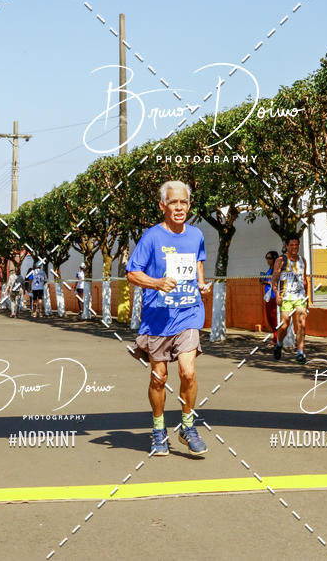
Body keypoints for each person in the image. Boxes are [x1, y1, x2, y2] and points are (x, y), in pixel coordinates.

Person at [126, 180, 212, 457]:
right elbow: (132, 273)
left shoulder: (196, 235)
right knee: (159, 378)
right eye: (173, 202)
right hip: (158, 319)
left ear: (189, 205)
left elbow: (198, 262)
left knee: (188, 371)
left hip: (188, 313)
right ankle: (159, 429)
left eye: (183, 202)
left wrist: (201, 284)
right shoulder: (151, 237)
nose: (179, 207)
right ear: (163, 205)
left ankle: (187, 426)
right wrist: (156, 283)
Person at [271, 234, 309, 364]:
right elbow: (274, 280)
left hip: (300, 297)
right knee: (284, 325)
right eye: (291, 245)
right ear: (286, 246)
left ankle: (300, 353)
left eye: (296, 245)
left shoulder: (303, 261)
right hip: (286, 298)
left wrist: (307, 298)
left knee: (301, 324)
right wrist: (277, 295)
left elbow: (305, 280)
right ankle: (279, 344)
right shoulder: (281, 260)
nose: (294, 247)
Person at [259, 251, 279, 343]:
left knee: (274, 318)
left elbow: (276, 282)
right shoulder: (270, 269)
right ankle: (275, 337)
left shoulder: (277, 269)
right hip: (268, 296)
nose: (267, 260)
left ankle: (276, 339)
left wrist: (266, 282)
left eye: (270, 258)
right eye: (266, 258)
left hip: (274, 296)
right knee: (269, 318)